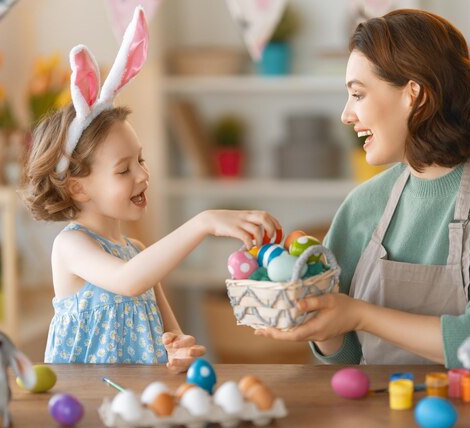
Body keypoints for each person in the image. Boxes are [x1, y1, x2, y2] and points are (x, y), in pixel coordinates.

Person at [257, 9, 470, 368]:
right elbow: (345, 358)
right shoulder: (362, 205)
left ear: (414, 95)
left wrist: (359, 314)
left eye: (358, 94)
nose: (346, 114)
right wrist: (319, 322)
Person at [21, 7, 281, 372]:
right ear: (78, 187)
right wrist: (203, 222)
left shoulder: (138, 254)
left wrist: (178, 352)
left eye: (140, 161)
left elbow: (170, 340)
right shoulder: (71, 246)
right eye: (124, 169)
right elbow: (127, 281)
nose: (143, 176)